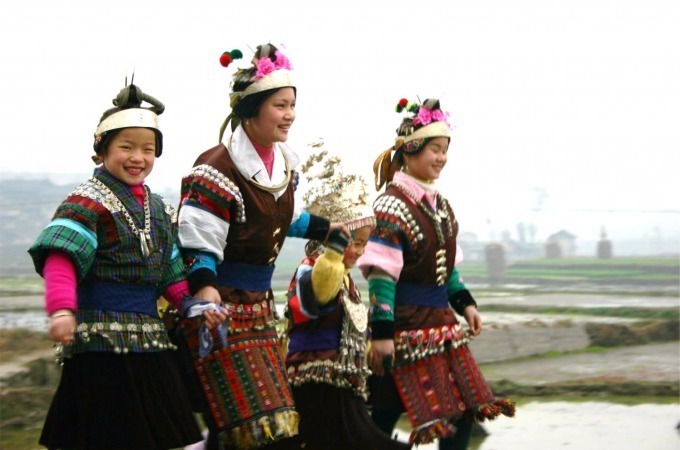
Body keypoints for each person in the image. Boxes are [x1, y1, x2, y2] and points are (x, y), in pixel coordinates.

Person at [27, 82, 224, 450]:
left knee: (169, 438)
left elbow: (171, 270)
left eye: (148, 149)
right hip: (101, 346)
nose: (138, 157)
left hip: (150, 342)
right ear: (102, 149)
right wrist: (61, 310)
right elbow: (61, 257)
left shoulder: (160, 209)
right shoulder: (87, 202)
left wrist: (191, 305)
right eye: (126, 147)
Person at [175, 44, 349, 449]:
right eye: (280, 105)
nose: (290, 115)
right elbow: (199, 240)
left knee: (254, 427)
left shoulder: (283, 164)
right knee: (260, 426)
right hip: (220, 309)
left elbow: (280, 218)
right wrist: (205, 290)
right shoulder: (217, 168)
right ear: (252, 109)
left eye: (292, 105)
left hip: (257, 307)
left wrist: (326, 228)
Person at [358, 98, 515, 449]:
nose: (442, 158)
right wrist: (382, 333)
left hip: (441, 325)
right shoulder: (391, 205)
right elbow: (382, 276)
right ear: (411, 151)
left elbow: (446, 269)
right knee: (385, 411)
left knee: (459, 414)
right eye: (434, 149)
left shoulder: (440, 205)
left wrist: (466, 304)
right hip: (407, 327)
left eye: (445, 150)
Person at [278, 148, 412, 450]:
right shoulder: (311, 270)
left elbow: (349, 330)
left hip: (342, 385)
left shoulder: (347, 280)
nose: (361, 251)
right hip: (318, 385)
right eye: (357, 243)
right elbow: (318, 297)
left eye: (365, 244)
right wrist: (334, 252)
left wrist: (371, 353)